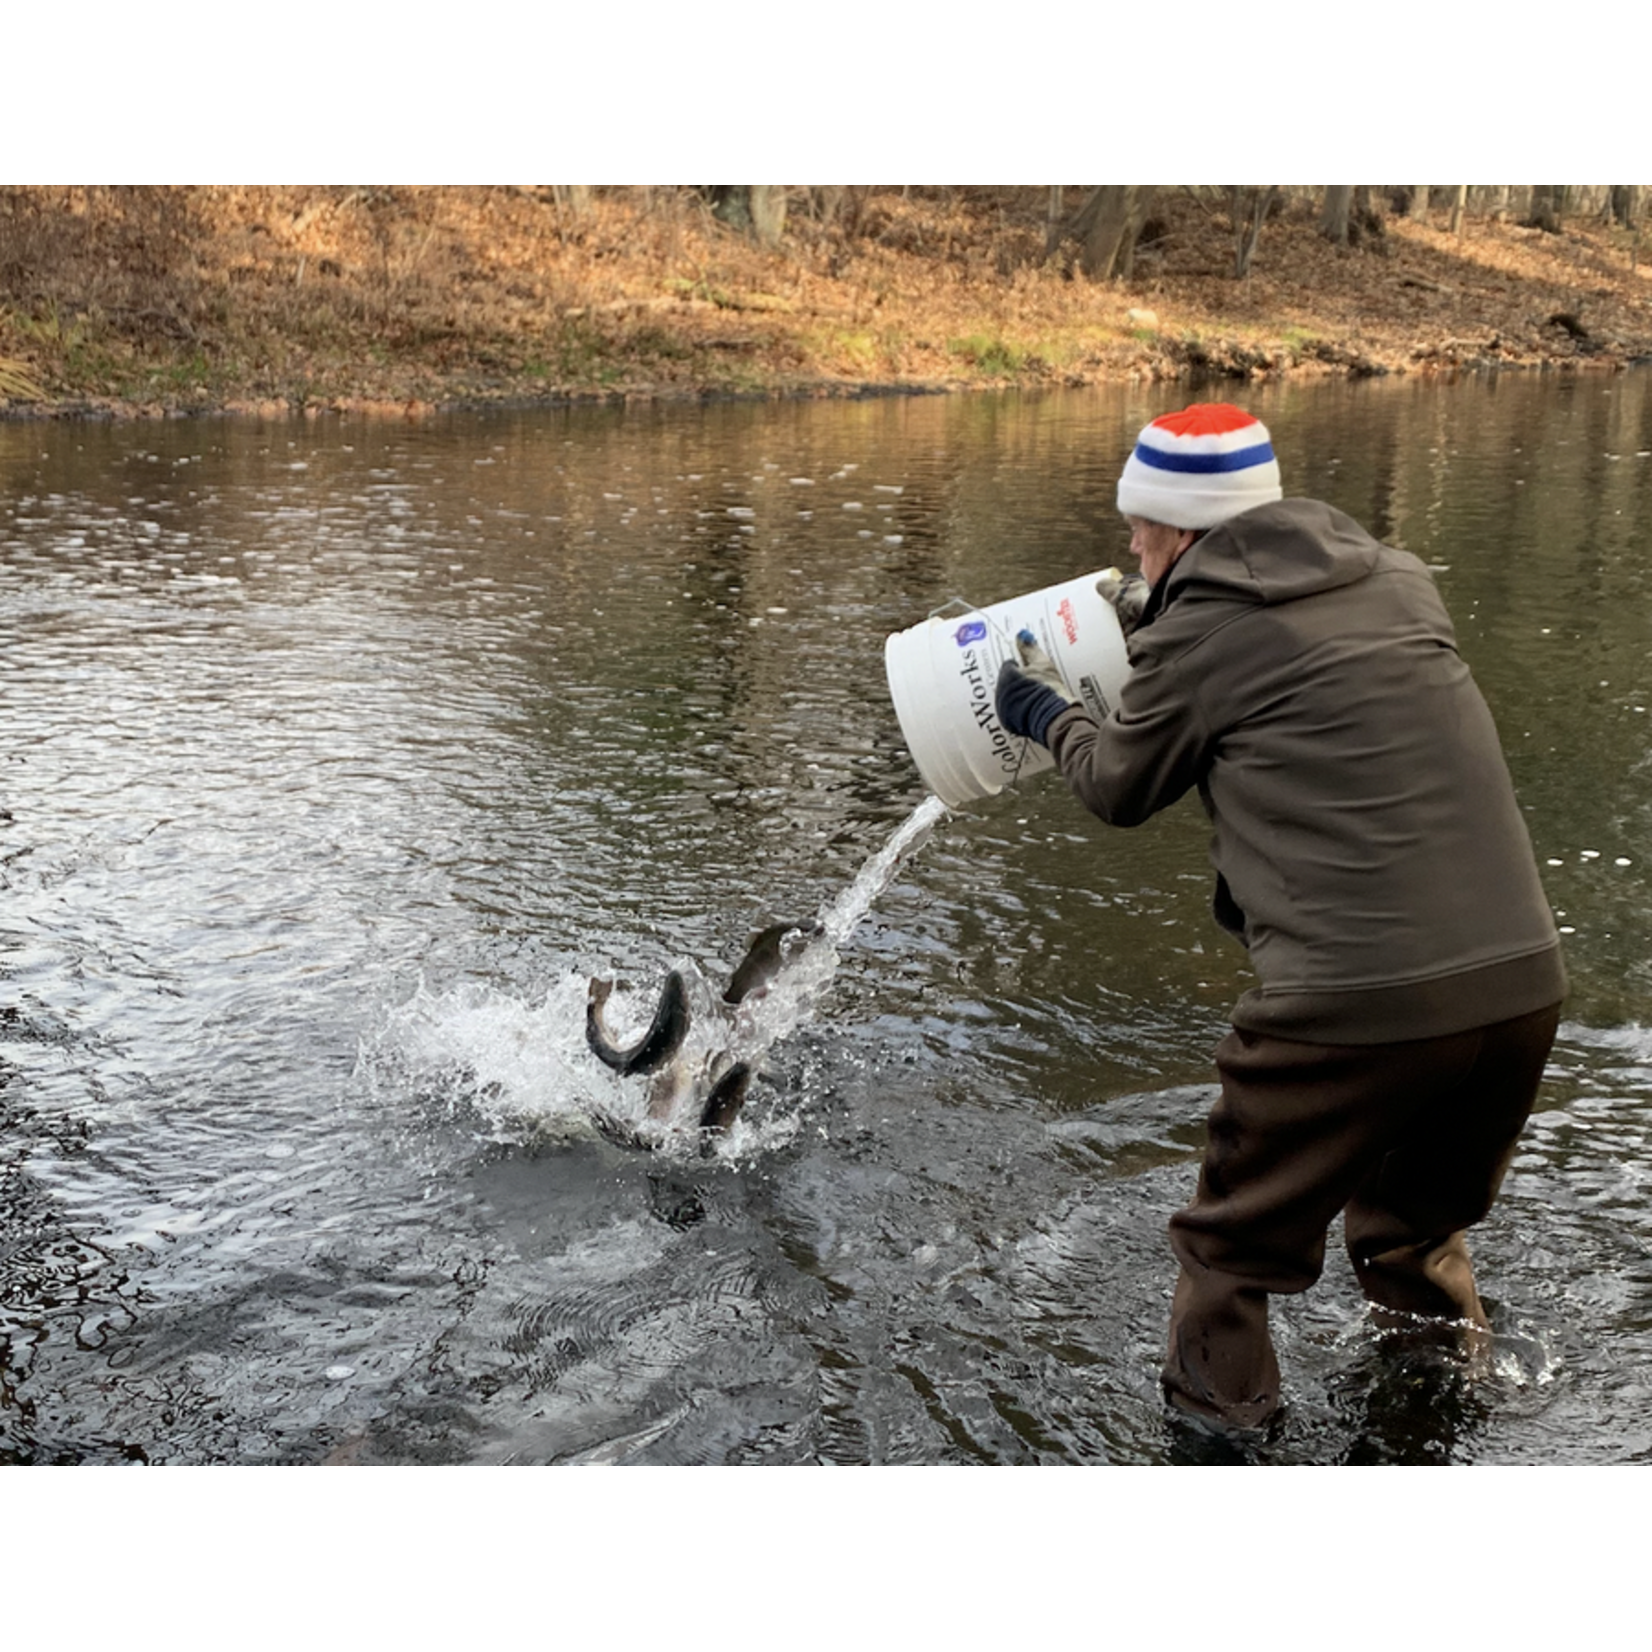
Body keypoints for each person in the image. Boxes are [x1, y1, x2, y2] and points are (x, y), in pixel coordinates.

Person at [994, 402, 1565, 1433]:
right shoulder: (1396, 579)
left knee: (1224, 1252)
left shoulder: (1201, 634)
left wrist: (1048, 713)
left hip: (1347, 1007)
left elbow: (1119, 785)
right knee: (1409, 1233)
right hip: (1519, 988)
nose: (1129, 542)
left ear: (1181, 529)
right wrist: (1151, 612)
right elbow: (1295, 671)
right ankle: (1441, 1418)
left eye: (1141, 526)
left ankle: (1216, 1459)